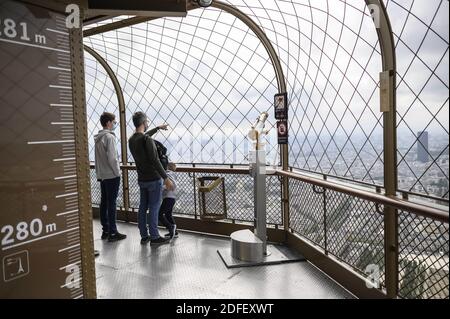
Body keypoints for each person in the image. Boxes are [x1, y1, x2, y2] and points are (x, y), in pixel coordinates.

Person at [128, 112, 174, 245]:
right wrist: (165, 177)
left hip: (142, 179)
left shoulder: (132, 140)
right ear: (143, 123)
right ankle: (154, 236)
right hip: (153, 178)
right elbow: (155, 160)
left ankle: (144, 235)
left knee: (143, 207)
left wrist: (157, 128)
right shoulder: (146, 140)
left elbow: (144, 136)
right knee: (154, 207)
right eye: (147, 122)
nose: (148, 124)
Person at [94, 112, 127, 242]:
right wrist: (117, 172)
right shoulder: (109, 137)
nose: (114, 124)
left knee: (104, 202)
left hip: (102, 175)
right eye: (114, 122)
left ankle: (106, 230)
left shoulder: (98, 138)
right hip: (111, 175)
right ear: (108, 122)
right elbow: (113, 158)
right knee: (112, 203)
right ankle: (113, 232)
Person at [159, 162, 178, 239]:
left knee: (159, 215)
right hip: (172, 198)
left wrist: (161, 188)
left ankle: (171, 227)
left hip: (168, 197)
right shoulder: (173, 175)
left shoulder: (167, 174)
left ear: (167, 167)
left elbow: (171, 185)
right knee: (168, 214)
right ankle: (174, 232)